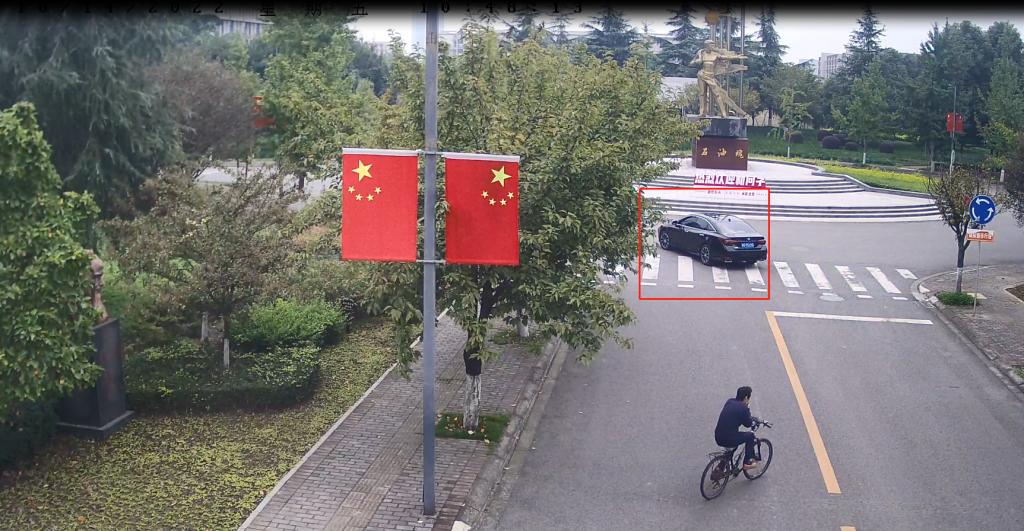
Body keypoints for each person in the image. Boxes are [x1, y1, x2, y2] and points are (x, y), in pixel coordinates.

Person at [714, 386, 759, 470]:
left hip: (718, 436)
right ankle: (747, 462)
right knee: (750, 436)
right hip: (729, 438)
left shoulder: (729, 401)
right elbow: (748, 424)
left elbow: (734, 415)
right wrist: (747, 408)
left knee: (733, 443)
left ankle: (721, 466)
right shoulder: (743, 408)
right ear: (746, 397)